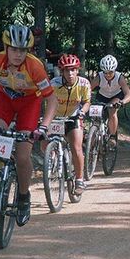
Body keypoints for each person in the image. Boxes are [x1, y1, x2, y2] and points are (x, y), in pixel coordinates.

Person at [0, 25, 58, 226]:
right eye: (14, 49)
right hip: (5, 99)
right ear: (6, 47)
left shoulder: (35, 67)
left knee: (22, 155)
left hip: (30, 102)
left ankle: (24, 197)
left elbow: (51, 100)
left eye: (23, 50)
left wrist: (43, 127)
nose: (18, 55)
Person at [49, 54, 90, 194]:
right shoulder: (54, 84)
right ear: (62, 72)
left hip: (73, 117)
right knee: (44, 143)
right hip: (56, 117)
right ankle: (53, 157)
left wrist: (82, 112)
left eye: (73, 70)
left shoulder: (84, 83)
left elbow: (87, 102)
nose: (70, 73)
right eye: (67, 70)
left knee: (76, 147)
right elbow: (44, 100)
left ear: (77, 70)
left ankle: (79, 179)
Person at [90, 54, 130, 140]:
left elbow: (128, 95)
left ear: (114, 70)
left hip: (116, 96)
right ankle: (92, 138)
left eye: (110, 72)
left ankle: (112, 136)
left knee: (112, 111)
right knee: (95, 115)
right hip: (102, 96)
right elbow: (87, 90)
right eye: (105, 72)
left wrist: (122, 102)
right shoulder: (99, 77)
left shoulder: (119, 77)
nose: (108, 75)